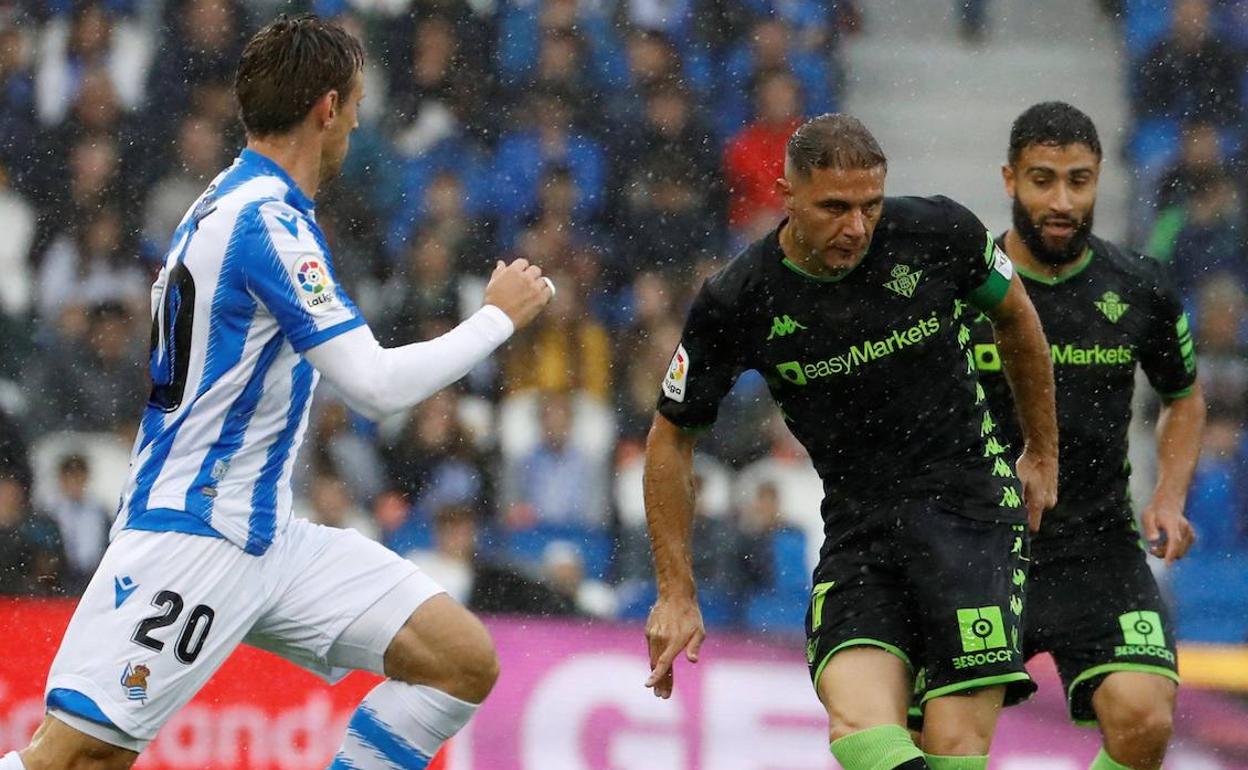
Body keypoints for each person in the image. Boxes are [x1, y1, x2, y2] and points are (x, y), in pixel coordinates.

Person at [5, 14, 552, 770]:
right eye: (356, 105)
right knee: (71, 762)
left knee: (458, 661)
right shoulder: (267, 223)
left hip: (268, 533)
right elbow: (375, 386)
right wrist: (496, 318)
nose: (358, 123)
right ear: (327, 108)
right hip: (195, 532)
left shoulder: (228, 202)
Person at [643, 113, 1058, 770]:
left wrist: (1041, 452)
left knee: (951, 749)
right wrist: (675, 590)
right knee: (859, 732)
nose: (857, 227)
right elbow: (670, 440)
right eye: (835, 207)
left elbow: (1016, 315)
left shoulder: (935, 231)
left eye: (869, 204)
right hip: (859, 525)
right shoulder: (739, 299)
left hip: (970, 509)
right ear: (785, 193)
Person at [968, 102, 1204, 770]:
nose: (1063, 200)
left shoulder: (1139, 287)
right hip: (980, 550)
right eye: (1044, 179)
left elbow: (1183, 399)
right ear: (1010, 179)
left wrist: (1169, 495)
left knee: (1146, 719)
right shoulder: (960, 286)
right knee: (946, 745)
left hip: (1097, 549)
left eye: (1080, 179)